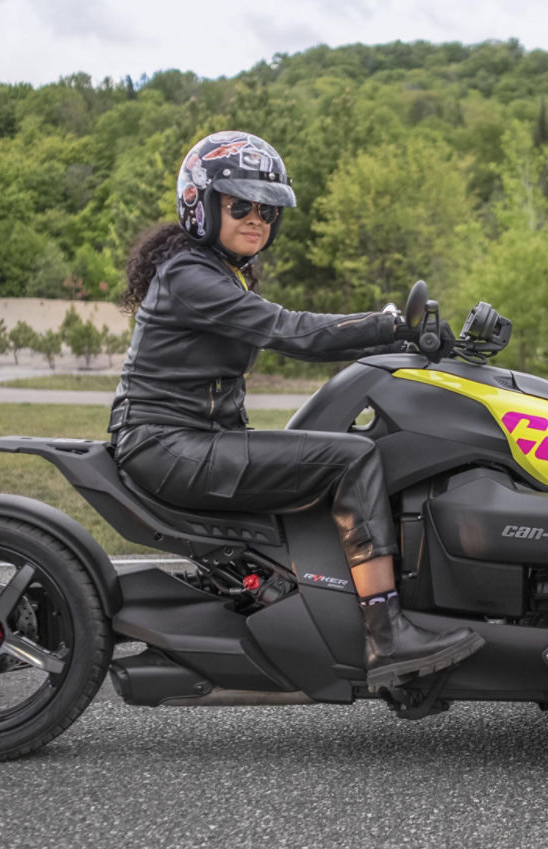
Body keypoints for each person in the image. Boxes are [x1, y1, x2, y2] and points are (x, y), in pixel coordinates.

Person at [109, 130, 483, 690]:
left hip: (188, 440)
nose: (256, 219)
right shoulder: (190, 276)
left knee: (331, 446)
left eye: (267, 210)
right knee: (352, 458)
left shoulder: (214, 270)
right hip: (169, 446)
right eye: (240, 206)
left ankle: (329, 604)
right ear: (201, 204)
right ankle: (386, 636)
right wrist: (389, 325)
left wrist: (400, 338)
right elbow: (290, 330)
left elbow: (294, 334)